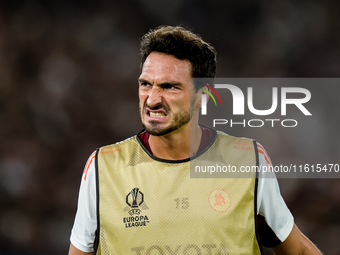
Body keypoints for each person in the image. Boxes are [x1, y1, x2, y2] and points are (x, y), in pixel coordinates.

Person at [68, 26, 322, 255]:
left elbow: (297, 250)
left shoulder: (247, 160)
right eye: (146, 84)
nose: (152, 99)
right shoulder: (103, 167)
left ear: (203, 96)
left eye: (170, 87)